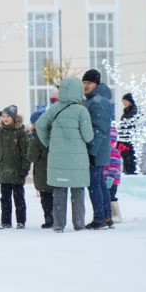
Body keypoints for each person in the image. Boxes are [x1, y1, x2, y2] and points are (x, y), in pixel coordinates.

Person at [36, 77, 94, 234]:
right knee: (78, 192)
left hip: (58, 157)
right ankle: (79, 224)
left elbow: (40, 125)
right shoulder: (82, 110)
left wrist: (49, 142)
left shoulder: (55, 108)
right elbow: (88, 136)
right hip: (77, 158)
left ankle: (58, 225)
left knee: (59, 193)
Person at [82, 69, 114, 230]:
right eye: (84, 83)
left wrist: (92, 152)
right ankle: (107, 217)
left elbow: (98, 129)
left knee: (94, 184)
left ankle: (100, 218)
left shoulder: (98, 101)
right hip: (98, 150)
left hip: (96, 151)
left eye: (89, 83)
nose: (86, 86)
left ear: (96, 84)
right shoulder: (93, 100)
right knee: (99, 183)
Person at [0, 105, 29, 229]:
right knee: (5, 198)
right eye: (4, 116)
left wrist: (24, 168)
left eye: (8, 116)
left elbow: (25, 152)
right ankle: (6, 221)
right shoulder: (0, 133)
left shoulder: (20, 133)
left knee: (19, 198)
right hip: (4, 171)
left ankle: (21, 221)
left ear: (14, 118)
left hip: (17, 171)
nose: (6, 118)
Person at [27, 111, 54, 228]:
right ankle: (58, 217)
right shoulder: (54, 133)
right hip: (55, 169)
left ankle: (49, 218)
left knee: (45, 197)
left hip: (42, 172)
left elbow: (31, 156)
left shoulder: (37, 137)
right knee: (57, 196)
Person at [117, 93, 138, 174]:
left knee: (129, 158)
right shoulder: (127, 112)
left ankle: (130, 173)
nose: (124, 103)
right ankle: (128, 172)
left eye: (125, 101)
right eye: (123, 101)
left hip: (129, 140)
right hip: (124, 139)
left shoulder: (133, 113)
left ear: (130, 101)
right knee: (126, 158)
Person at [106, 126, 123, 223]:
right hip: (108, 179)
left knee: (111, 197)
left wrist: (110, 178)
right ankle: (109, 214)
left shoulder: (113, 151)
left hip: (112, 180)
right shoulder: (109, 151)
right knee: (108, 197)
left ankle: (116, 214)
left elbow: (115, 167)